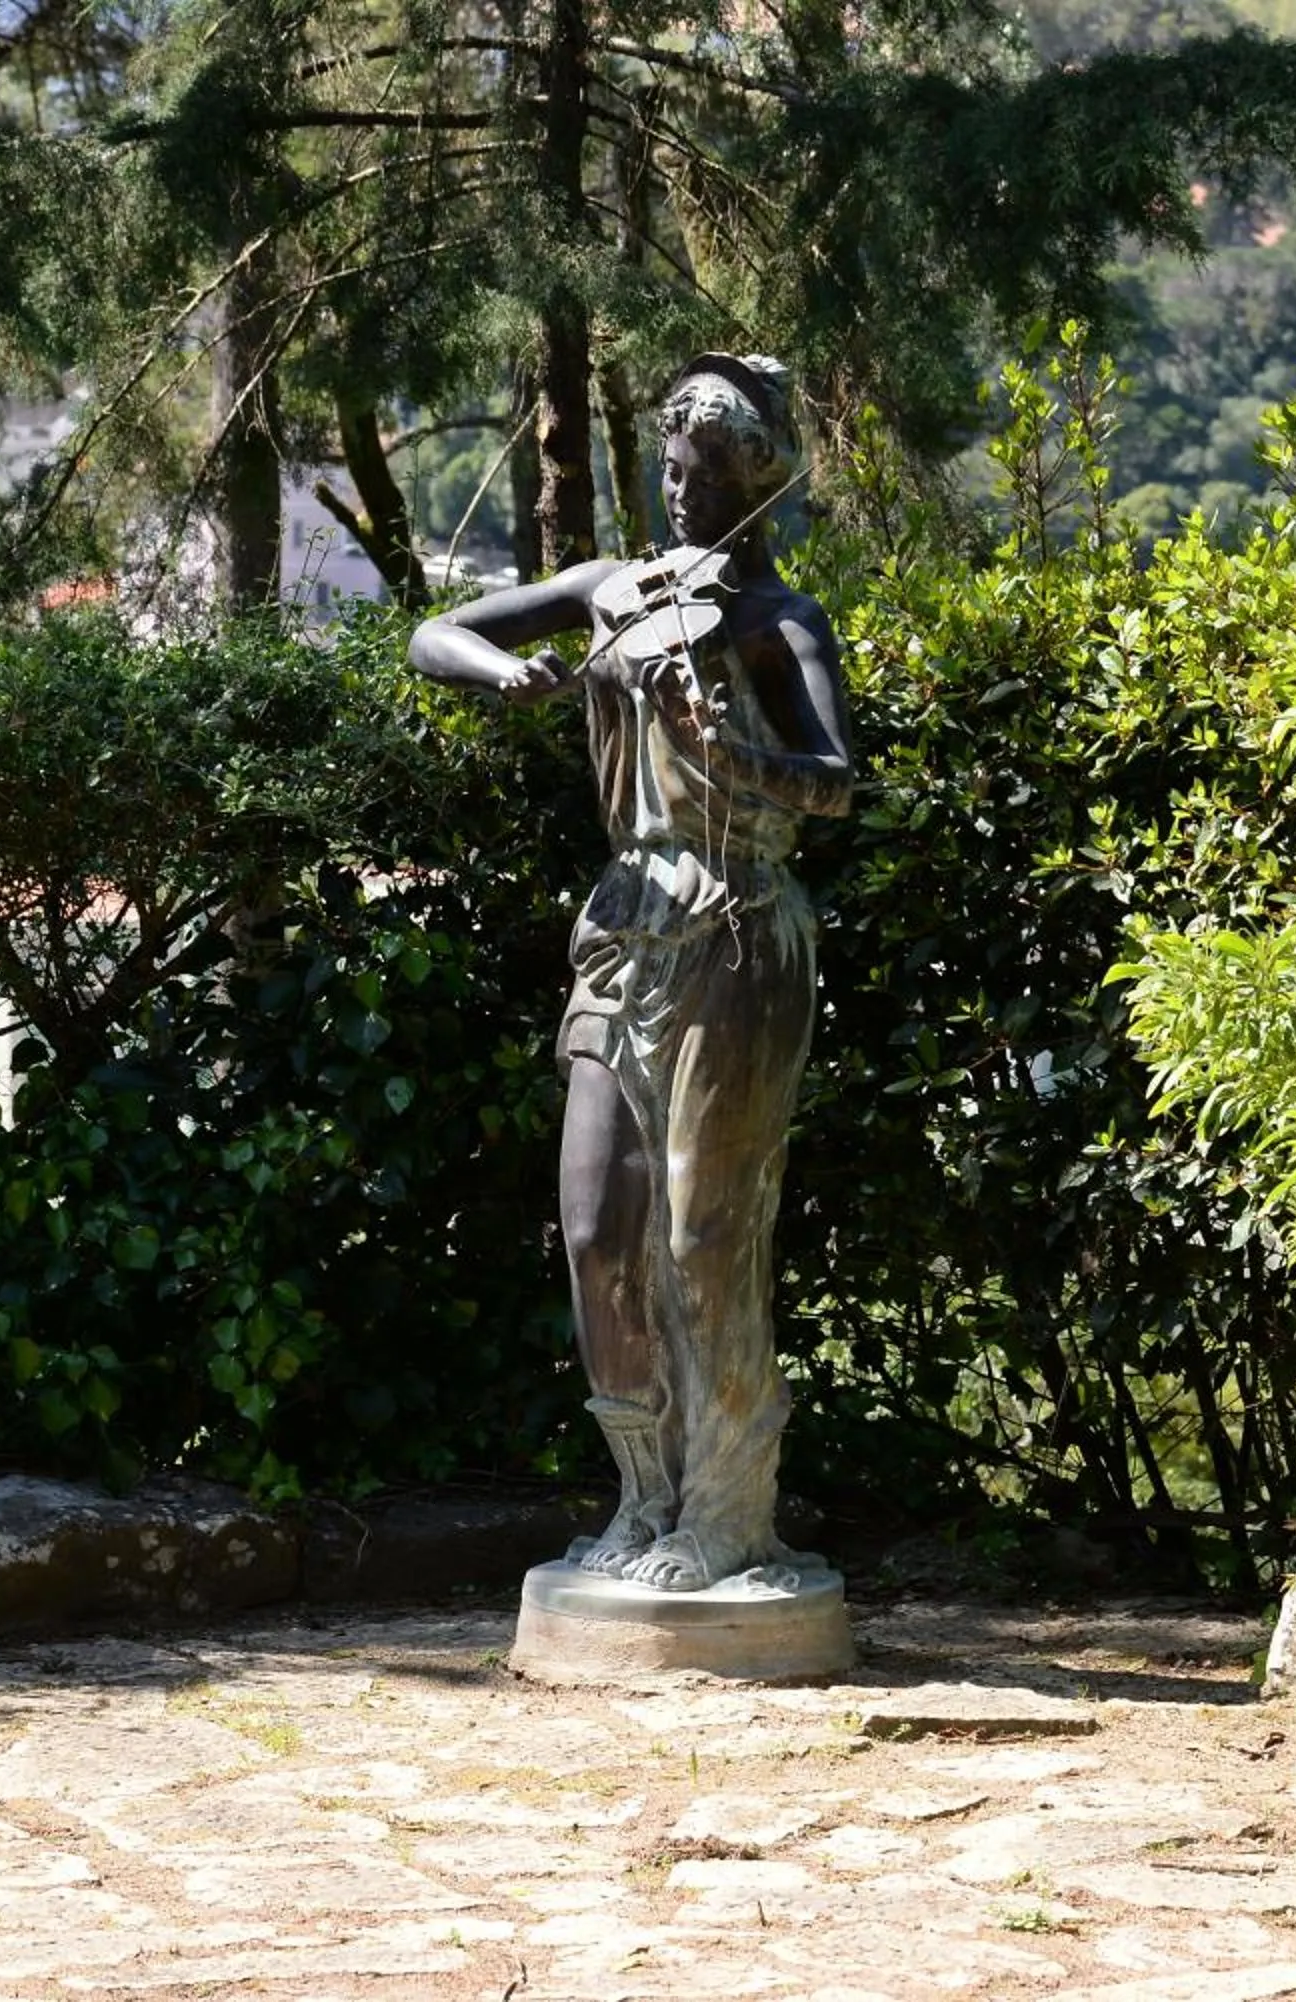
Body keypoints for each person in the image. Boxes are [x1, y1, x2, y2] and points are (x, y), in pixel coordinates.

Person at [409, 354, 854, 1592]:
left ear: (754, 482)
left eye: (700, 475)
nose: (673, 492)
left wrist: (733, 747)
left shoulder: (777, 623)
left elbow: (832, 783)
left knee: (708, 1229)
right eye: (665, 466)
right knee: (599, 1221)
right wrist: (509, 675)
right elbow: (435, 630)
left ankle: (728, 1513)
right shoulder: (617, 589)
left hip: (737, 923)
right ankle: (642, 1496)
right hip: (629, 913)